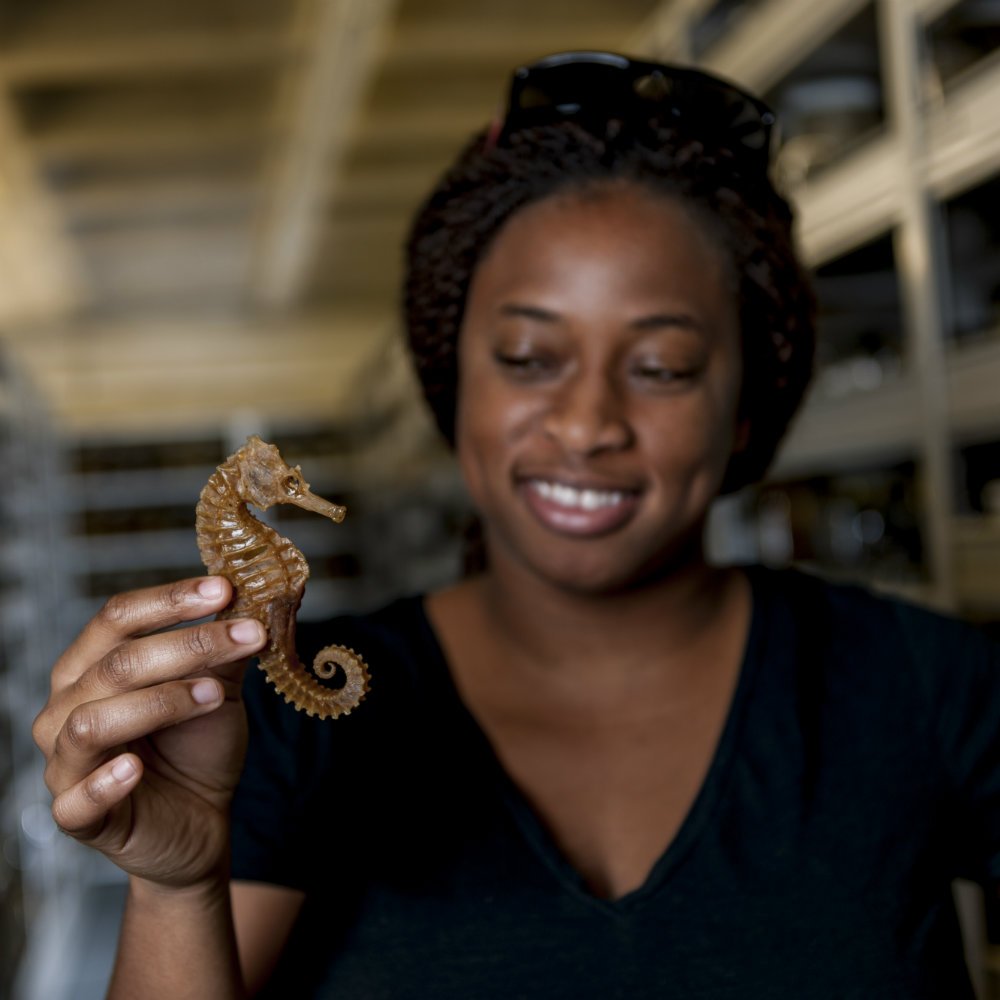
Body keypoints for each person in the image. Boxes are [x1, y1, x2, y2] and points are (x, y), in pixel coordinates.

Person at [31, 51, 1000, 998]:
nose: (585, 425)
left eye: (661, 367)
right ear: (454, 387)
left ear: (746, 406)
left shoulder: (927, 688)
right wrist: (172, 889)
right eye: (529, 357)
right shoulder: (285, 719)